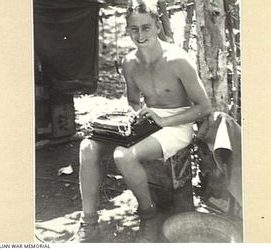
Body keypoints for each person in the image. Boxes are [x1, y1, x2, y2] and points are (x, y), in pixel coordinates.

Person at [76, 0, 212, 243]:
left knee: (123, 155)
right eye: (134, 29)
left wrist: (163, 119)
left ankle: (149, 217)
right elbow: (133, 101)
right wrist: (137, 113)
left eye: (146, 27)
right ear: (127, 30)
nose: (140, 35)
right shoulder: (129, 62)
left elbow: (203, 108)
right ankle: (89, 225)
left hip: (178, 124)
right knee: (87, 146)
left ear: (157, 26)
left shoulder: (178, 60)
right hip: (149, 121)